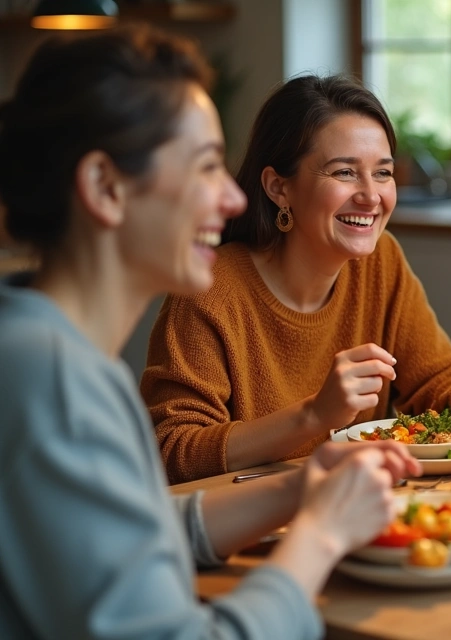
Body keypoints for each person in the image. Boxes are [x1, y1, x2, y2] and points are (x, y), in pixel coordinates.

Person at [0, 26, 421, 639]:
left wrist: (301, 488)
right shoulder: (56, 383)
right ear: (104, 188)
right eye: (204, 169)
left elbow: (139, 535)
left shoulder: (43, 351)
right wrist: (321, 536)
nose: (230, 198)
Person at [140, 75, 451, 483]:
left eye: (383, 173)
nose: (371, 196)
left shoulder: (381, 263)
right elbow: (171, 449)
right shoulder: (210, 288)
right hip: (248, 531)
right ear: (278, 187)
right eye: (344, 172)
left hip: (359, 511)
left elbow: (434, 379)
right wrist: (313, 416)